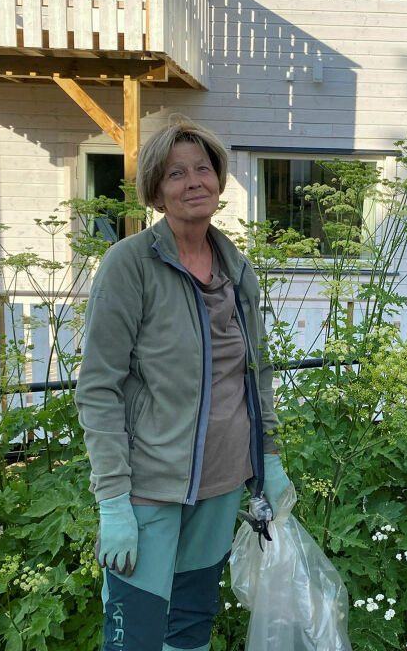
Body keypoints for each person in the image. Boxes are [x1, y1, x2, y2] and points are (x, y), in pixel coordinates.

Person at [76, 117, 290, 651]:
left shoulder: (237, 269)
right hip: (149, 485)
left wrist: (270, 457)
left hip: (221, 482)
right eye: (176, 173)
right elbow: (99, 387)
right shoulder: (130, 266)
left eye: (203, 169)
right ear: (156, 191)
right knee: (136, 636)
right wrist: (112, 500)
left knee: (190, 628)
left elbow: (256, 372)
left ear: (219, 180)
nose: (194, 181)